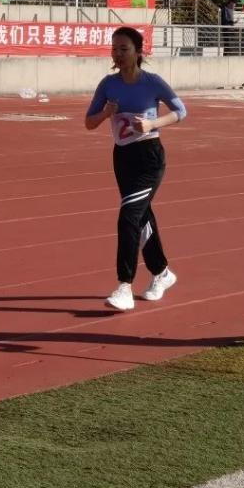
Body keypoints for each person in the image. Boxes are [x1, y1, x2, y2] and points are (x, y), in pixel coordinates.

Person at [85, 26, 187, 311]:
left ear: (138, 51)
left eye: (124, 49)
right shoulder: (108, 84)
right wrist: (105, 113)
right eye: (114, 49)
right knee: (141, 217)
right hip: (122, 158)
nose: (117, 54)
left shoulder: (152, 82)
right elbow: (89, 122)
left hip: (149, 157)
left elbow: (181, 111)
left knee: (128, 217)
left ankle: (124, 286)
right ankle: (162, 273)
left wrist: (152, 123)